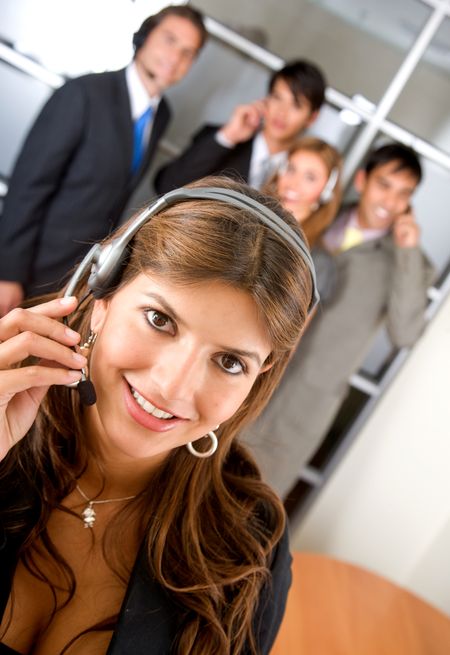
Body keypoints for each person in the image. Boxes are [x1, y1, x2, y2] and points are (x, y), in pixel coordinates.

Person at [0, 177, 317, 654]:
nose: (173, 386)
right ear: (104, 292)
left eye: (230, 362)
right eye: (159, 320)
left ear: (259, 376)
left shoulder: (253, 547)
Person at [245, 143, 435, 498]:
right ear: (362, 180)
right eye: (384, 184)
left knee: (251, 508)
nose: (390, 201)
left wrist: (408, 252)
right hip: (252, 377)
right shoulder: (321, 216)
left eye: (403, 193)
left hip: (301, 408)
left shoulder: (410, 263)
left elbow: (406, 334)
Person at [0, 5, 207, 316]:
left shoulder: (161, 115)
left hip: (73, 279)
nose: (176, 57)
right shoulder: (84, 94)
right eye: (169, 40)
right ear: (145, 36)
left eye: (188, 52)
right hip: (26, 268)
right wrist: (8, 272)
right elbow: (28, 186)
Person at [154, 59, 326, 194]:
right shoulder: (222, 139)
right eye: (277, 98)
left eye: (296, 105)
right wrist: (228, 137)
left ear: (312, 117)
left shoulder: (302, 172)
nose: (282, 112)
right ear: (266, 99)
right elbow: (166, 186)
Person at [269, 136, 342, 247]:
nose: (293, 184)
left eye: (310, 177)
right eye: (291, 169)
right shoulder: (248, 215)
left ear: (327, 189)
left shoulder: (316, 259)